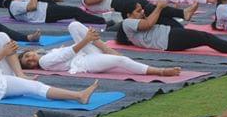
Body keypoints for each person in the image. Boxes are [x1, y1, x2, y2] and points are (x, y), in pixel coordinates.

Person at [0, 25, 98, 105]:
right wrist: (3, 53)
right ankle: (79, 96)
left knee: (2, 36)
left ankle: (20, 75)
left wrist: (8, 51)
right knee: (36, 87)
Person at [18, 21, 180, 78]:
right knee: (120, 60)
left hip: (85, 53)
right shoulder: (44, 61)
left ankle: (104, 47)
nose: (31, 59)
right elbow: (70, 53)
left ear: (30, 51)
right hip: (86, 63)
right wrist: (87, 39)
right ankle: (159, 71)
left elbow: (66, 52)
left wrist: (86, 40)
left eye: (28, 56)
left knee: (73, 25)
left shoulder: (46, 54)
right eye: (29, 63)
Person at [116, 0, 227, 55]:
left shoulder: (133, 22)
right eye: (138, 11)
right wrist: (159, 7)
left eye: (141, 9)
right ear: (128, 14)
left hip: (168, 34)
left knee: (153, 9)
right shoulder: (127, 23)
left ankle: (184, 13)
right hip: (167, 40)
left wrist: (156, 10)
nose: (141, 12)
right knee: (206, 37)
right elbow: (148, 24)